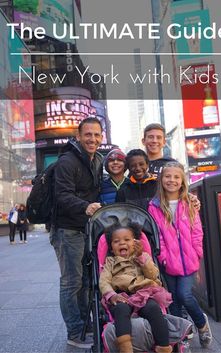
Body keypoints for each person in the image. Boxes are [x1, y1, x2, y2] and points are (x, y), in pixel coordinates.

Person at [50, 117, 103, 349]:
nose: (92, 139)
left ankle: (85, 326)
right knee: (71, 282)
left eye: (97, 135)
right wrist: (85, 206)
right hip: (66, 229)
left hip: (84, 229)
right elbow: (62, 195)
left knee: (85, 281)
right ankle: (74, 331)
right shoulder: (68, 161)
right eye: (88, 134)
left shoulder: (96, 160)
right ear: (78, 136)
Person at [148, 161, 212, 348]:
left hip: (189, 261)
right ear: (161, 179)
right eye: (168, 176)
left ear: (182, 180)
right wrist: (163, 257)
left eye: (176, 177)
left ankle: (201, 324)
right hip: (168, 261)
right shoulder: (155, 205)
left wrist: (197, 252)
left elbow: (197, 231)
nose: (172, 180)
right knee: (173, 299)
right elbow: (157, 234)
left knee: (184, 295)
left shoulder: (189, 202)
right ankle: (180, 337)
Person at [99, 222, 172, 353]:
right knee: (121, 309)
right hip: (120, 294)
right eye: (116, 241)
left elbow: (153, 275)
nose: (122, 243)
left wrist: (141, 257)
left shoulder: (142, 257)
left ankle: (164, 346)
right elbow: (104, 281)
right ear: (111, 247)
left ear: (136, 243)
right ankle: (125, 348)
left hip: (144, 294)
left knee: (153, 308)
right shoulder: (110, 262)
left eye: (127, 240)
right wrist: (111, 295)